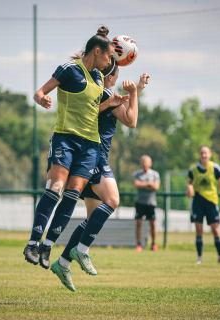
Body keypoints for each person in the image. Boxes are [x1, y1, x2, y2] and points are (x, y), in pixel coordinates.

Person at [23, 26, 127, 269]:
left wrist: (113, 102)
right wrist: (42, 98)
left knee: (71, 195)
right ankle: (32, 242)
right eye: (108, 56)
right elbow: (40, 91)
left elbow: (94, 108)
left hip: (90, 146)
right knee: (55, 188)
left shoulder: (100, 78)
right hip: (65, 139)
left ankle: (48, 245)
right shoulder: (69, 70)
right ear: (97, 51)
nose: (109, 61)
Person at [51, 62, 150, 291]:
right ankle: (82, 250)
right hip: (95, 159)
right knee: (113, 201)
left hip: (83, 158)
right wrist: (134, 92)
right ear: (112, 77)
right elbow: (131, 120)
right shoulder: (105, 93)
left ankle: (63, 262)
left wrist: (137, 90)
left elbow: (121, 104)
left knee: (92, 218)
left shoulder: (97, 93)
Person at [186, 145, 220, 264]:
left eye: (206, 153)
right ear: (199, 155)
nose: (204, 155)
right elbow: (189, 184)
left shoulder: (215, 168)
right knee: (199, 230)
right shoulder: (193, 169)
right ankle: (199, 258)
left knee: (216, 230)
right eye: (202, 153)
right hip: (198, 202)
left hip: (211, 202)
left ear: (210, 154)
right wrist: (189, 189)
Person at [134, 155, 160, 252]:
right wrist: (149, 184)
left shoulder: (155, 174)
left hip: (151, 203)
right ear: (141, 164)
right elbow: (136, 184)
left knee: (152, 224)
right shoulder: (137, 174)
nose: (145, 165)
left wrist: (143, 184)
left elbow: (156, 187)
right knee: (138, 223)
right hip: (140, 202)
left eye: (147, 163)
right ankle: (139, 244)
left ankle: (153, 244)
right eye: (143, 163)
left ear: (150, 164)